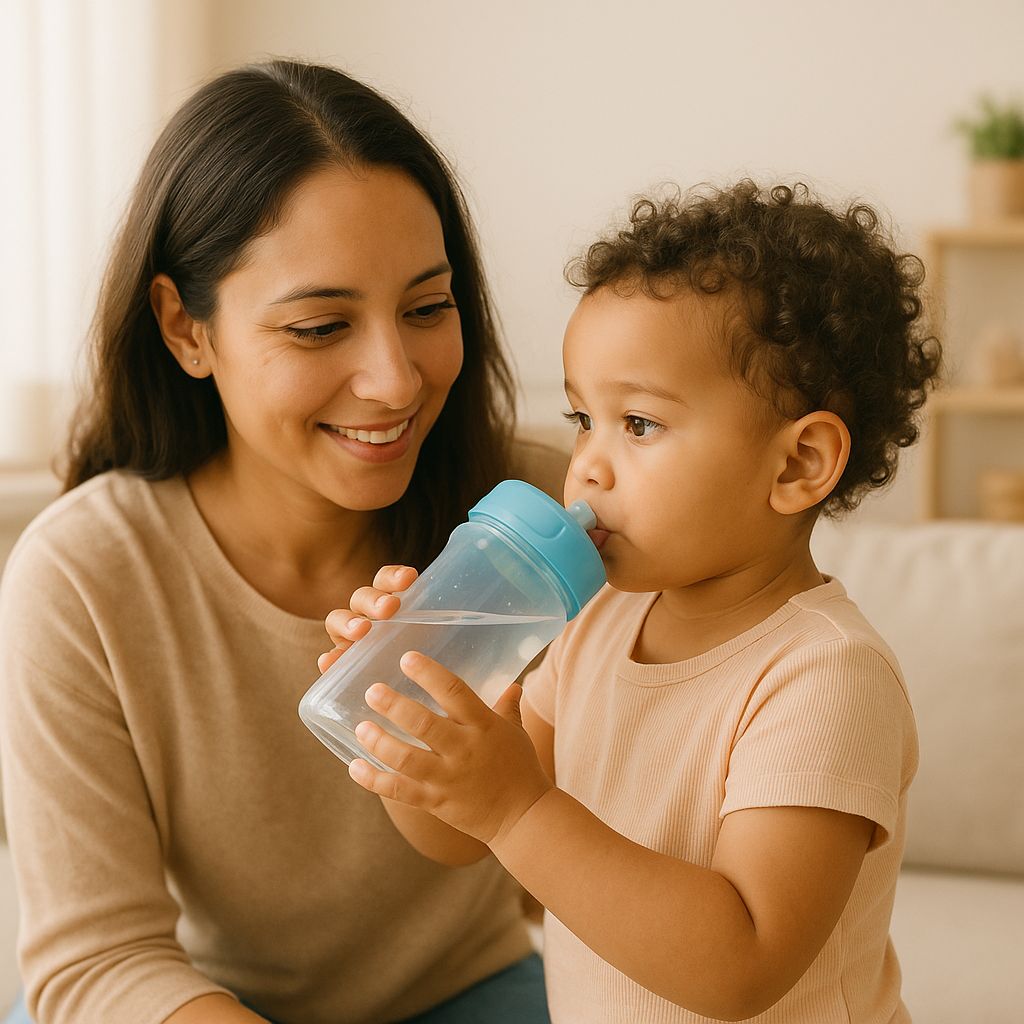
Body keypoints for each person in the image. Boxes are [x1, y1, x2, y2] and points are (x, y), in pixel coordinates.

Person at [0, 59, 566, 1024]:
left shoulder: (535, 512)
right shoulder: (83, 575)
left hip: (470, 990)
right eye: (318, 327)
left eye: (428, 309)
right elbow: (96, 964)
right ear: (186, 329)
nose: (395, 380)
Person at [324, 182, 943, 1022]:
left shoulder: (825, 676)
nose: (587, 466)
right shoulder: (598, 623)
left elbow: (742, 964)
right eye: (585, 417)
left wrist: (519, 807)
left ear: (797, 465)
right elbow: (463, 839)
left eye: (640, 425)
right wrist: (422, 725)